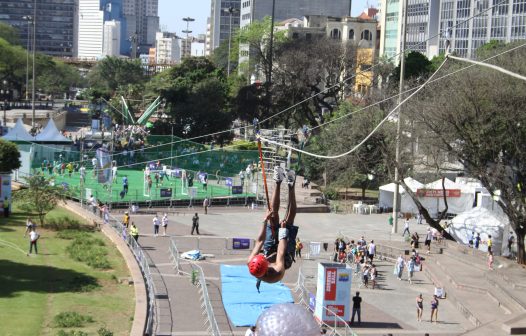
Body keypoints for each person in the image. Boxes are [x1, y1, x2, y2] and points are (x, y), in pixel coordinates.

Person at [247, 166, 298, 289]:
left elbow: (259, 241)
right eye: (265, 260)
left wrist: (265, 221)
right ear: (267, 266)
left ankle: (278, 181)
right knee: (288, 220)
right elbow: (281, 251)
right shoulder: (277, 272)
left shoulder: (251, 262)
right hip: (284, 258)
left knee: (272, 216)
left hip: (269, 250)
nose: (266, 259)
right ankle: (291, 186)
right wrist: (283, 231)